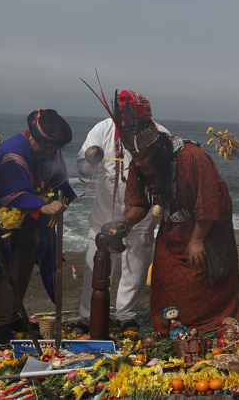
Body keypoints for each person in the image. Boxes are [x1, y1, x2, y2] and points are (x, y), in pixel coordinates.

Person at [105, 91, 239, 335]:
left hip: (206, 229)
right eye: (134, 157)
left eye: (143, 157)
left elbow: (210, 202)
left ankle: (208, 326)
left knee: (202, 280)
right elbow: (140, 202)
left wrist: (197, 240)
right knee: (165, 281)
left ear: (157, 151)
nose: (138, 163)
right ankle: (172, 328)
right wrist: (126, 223)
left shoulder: (192, 157)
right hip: (173, 229)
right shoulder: (139, 162)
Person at [76, 94, 169, 333]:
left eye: (133, 119)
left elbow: (167, 173)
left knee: (136, 267)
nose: (127, 124)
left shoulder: (159, 134)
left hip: (141, 215)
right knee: (94, 265)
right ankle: (88, 316)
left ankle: (126, 315)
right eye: (123, 118)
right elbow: (82, 161)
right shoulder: (102, 129)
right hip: (104, 213)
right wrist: (87, 166)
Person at [0, 109, 77, 343]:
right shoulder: (12, 152)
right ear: (33, 137)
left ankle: (14, 315)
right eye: (46, 146)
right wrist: (43, 207)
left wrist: (61, 201)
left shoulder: (51, 151)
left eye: (53, 148)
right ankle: (0, 322)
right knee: (9, 268)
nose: (49, 151)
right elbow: (11, 193)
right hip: (8, 219)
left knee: (26, 266)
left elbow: (59, 182)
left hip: (35, 219)